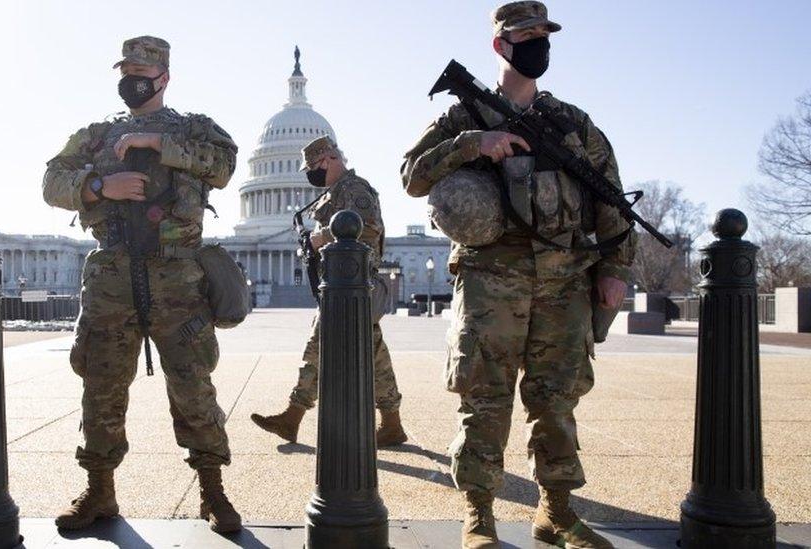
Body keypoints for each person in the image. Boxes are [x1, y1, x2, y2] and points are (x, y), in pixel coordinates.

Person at [401, 3, 635, 548]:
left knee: (556, 400)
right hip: (492, 278)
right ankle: (478, 515)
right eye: (525, 36)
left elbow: (612, 201)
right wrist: (471, 145)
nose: (537, 45)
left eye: (543, 35)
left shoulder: (573, 124)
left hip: (565, 278)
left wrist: (615, 269)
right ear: (500, 46)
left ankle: (556, 512)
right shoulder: (463, 116)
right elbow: (411, 175)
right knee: (484, 398)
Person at [43, 36, 241, 533]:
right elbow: (51, 182)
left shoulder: (196, 129)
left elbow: (224, 165)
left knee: (193, 385)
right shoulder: (96, 135)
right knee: (101, 387)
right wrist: (96, 186)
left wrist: (160, 146)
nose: (131, 78)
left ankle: (212, 491)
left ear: (163, 77)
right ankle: (99, 491)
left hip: (177, 275)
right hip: (112, 275)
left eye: (141, 69)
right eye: (125, 68)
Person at [251, 135, 408, 448]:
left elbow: (367, 226)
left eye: (313, 167)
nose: (311, 173)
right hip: (343, 285)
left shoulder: (355, 188)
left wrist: (322, 236)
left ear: (329, 160)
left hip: (355, 285)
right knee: (374, 354)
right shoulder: (333, 193)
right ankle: (391, 424)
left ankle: (293, 417)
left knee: (318, 347)